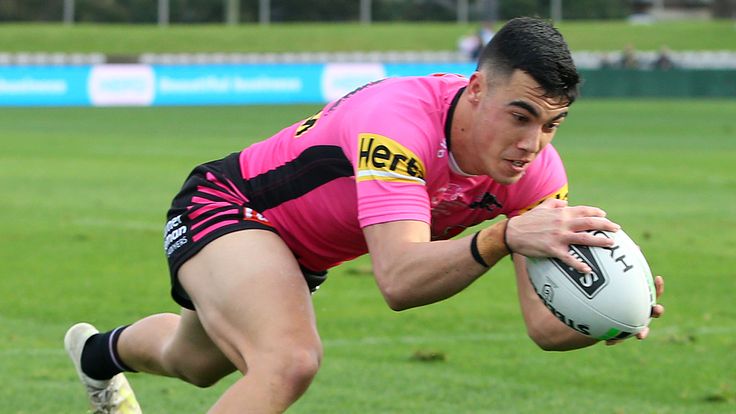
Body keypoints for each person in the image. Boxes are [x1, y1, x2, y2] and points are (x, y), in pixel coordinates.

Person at [65, 17, 665, 414]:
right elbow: (399, 281)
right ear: (477, 89)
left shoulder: (535, 176)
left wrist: (609, 315)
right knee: (287, 361)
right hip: (232, 205)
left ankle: (97, 356)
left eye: (551, 125)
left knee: (191, 364)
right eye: (521, 116)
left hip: (298, 255)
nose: (533, 143)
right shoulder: (398, 123)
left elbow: (543, 326)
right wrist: (501, 236)